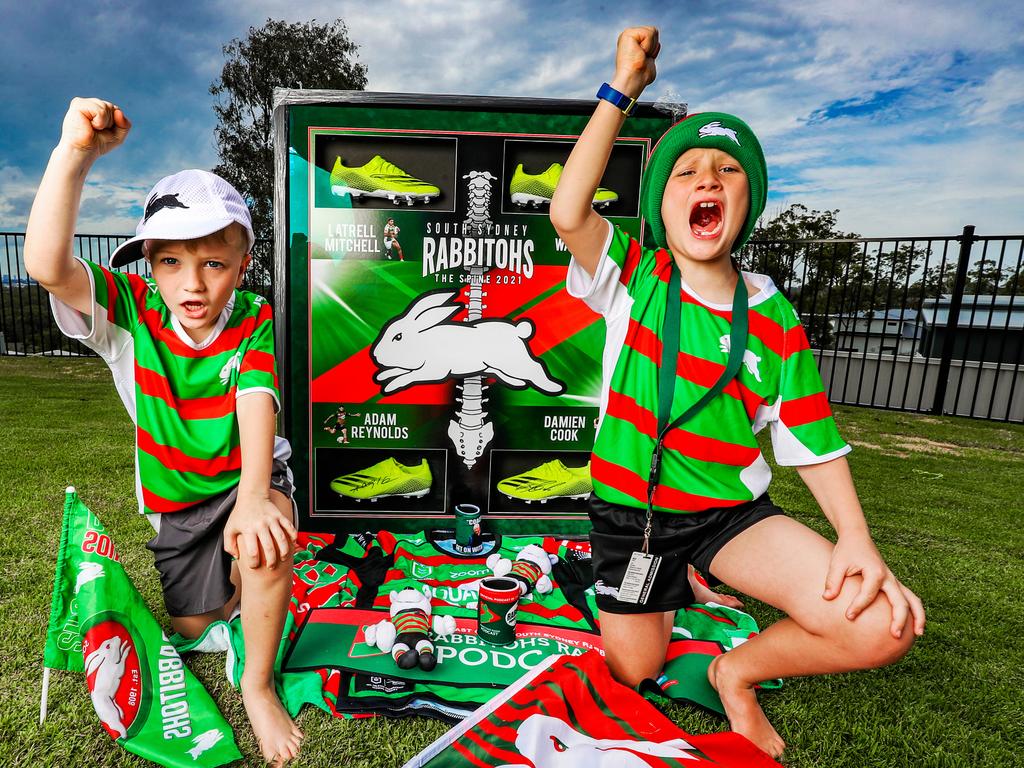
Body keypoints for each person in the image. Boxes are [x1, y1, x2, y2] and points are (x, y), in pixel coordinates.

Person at [550, 28, 925, 758]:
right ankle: (664, 582)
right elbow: (569, 212)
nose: (706, 181)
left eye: (726, 170)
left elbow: (810, 438)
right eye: (686, 171)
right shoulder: (636, 275)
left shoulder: (774, 314)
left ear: (746, 203)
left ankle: (734, 673)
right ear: (663, 205)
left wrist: (856, 538)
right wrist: (622, 88)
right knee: (636, 670)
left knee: (884, 626)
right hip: (635, 513)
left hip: (730, 515)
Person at [24, 98, 303, 765]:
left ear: (242, 263)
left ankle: (260, 683)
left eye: (213, 262)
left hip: (248, 474)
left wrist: (257, 495)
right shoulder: (126, 308)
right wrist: (75, 154)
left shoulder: (254, 316)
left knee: (262, 543)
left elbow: (257, 398)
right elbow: (45, 265)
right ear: (147, 262)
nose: (193, 282)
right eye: (171, 262)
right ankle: (240, 601)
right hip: (175, 499)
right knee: (195, 626)